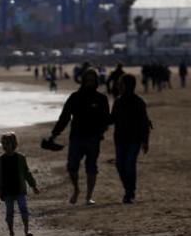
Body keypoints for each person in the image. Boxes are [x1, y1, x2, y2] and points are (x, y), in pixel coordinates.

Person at [47, 68, 110, 205]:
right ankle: (76, 189)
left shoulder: (101, 99)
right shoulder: (74, 97)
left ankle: (89, 196)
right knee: (72, 166)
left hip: (94, 138)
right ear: (82, 81)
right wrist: (54, 134)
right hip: (76, 137)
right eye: (87, 80)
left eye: (92, 80)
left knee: (91, 167)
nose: (89, 82)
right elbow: (64, 118)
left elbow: (106, 119)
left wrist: (101, 132)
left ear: (96, 81)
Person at [0, 132, 40, 236]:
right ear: (3, 145)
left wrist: (33, 186)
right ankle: (11, 234)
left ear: (14, 144)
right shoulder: (0, 160)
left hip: (19, 190)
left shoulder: (20, 158)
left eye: (10, 144)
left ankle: (27, 231)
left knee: (24, 209)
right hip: (7, 191)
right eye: (5, 144)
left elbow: (27, 173)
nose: (7, 146)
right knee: (9, 213)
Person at [110, 74, 151, 204]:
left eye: (121, 84)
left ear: (128, 86)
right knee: (120, 165)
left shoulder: (139, 102)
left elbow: (145, 123)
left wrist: (145, 141)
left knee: (129, 164)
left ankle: (129, 193)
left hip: (135, 139)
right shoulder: (118, 101)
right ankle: (129, 189)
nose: (118, 86)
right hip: (120, 139)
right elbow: (112, 119)